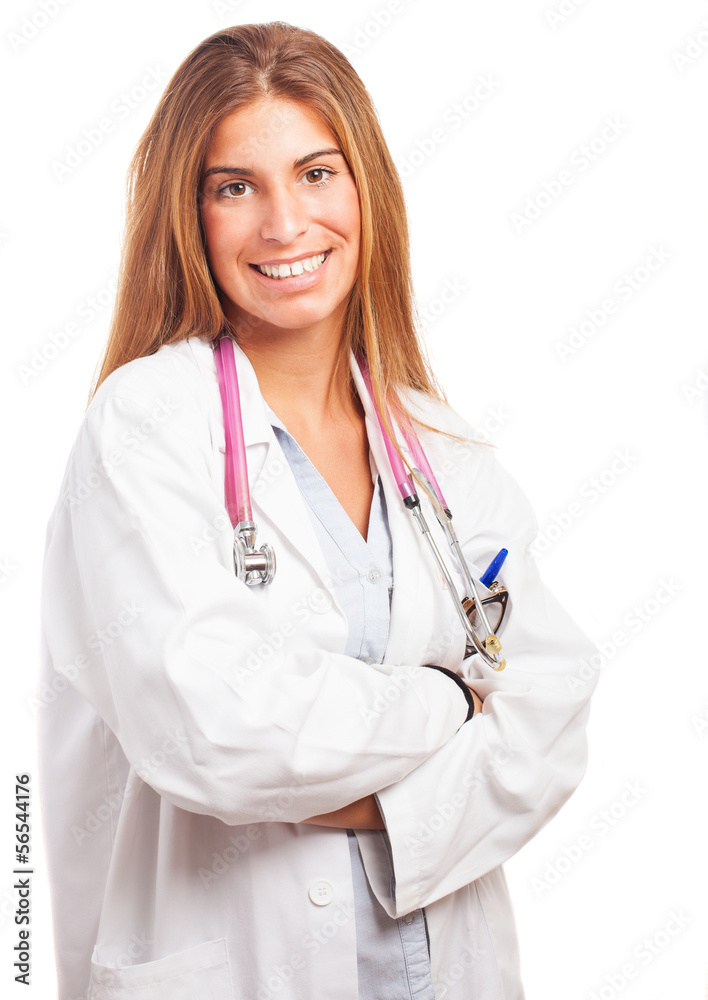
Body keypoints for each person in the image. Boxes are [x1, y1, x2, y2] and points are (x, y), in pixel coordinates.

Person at [38, 21, 598, 1000]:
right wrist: (451, 703)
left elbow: (550, 713)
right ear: (190, 212)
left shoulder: (440, 450)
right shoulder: (142, 429)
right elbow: (216, 729)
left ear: (364, 187)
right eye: (235, 186)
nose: (286, 225)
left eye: (315, 173)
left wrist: (343, 788)